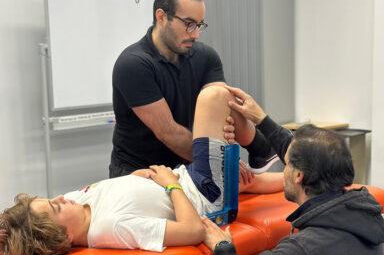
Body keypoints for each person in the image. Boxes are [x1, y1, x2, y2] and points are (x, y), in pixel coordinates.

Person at [0, 86, 283, 254]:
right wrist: (170, 184)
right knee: (215, 95)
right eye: (57, 207)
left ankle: (305, 174)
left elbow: (115, 193)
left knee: (250, 180)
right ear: (65, 238)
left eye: (53, 198)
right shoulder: (110, 228)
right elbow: (192, 230)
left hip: (188, 179)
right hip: (206, 195)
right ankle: (264, 150)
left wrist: (135, 179)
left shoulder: (75, 204)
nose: (62, 198)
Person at [201, 86, 384, 255]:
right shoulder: (364, 215)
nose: (284, 169)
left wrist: (223, 248)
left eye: (287, 164)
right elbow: (303, 151)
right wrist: (262, 120)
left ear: (299, 175)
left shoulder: (300, 248)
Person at [110, 0, 230, 177]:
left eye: (199, 25)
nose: (195, 34)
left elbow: (220, 108)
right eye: (188, 24)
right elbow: (169, 132)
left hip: (185, 169)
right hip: (138, 174)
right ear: (161, 17)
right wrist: (220, 163)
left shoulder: (206, 57)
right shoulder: (133, 64)